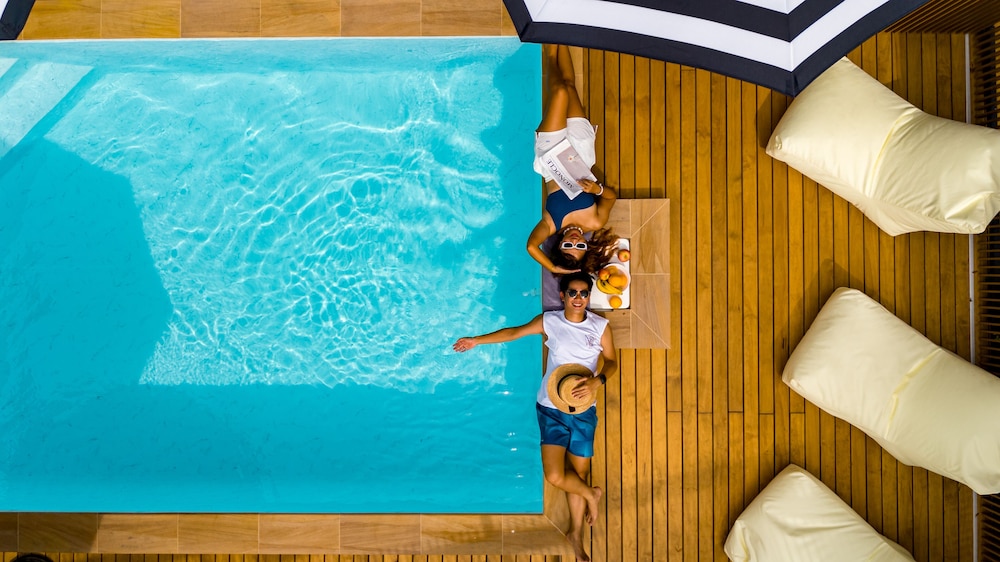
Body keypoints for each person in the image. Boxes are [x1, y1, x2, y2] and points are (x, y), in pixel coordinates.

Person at [453, 271, 618, 562]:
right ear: (562, 296)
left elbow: (612, 361)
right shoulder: (550, 321)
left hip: (583, 410)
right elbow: (514, 333)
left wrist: (597, 381)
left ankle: (576, 534)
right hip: (550, 408)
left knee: (578, 475)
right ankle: (590, 496)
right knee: (556, 475)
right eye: (573, 292)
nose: (578, 298)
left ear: (588, 297)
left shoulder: (600, 326)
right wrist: (476, 341)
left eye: (584, 293)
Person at [528, 44, 620, 276]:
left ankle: (550, 51)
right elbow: (611, 197)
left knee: (559, 92)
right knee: (569, 86)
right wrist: (597, 190)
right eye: (580, 247)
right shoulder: (595, 222)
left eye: (568, 245)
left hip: (551, 152)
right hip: (581, 152)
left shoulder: (551, 224)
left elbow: (531, 247)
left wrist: (553, 268)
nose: (575, 241)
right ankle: (561, 38)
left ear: (559, 245)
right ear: (587, 246)